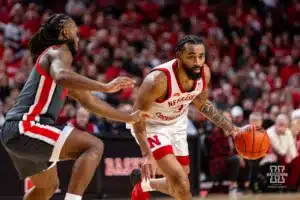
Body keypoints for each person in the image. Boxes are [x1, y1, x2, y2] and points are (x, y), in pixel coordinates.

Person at [0, 13, 146, 200]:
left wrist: (130, 118)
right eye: (75, 33)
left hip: (14, 132)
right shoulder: (59, 51)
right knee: (94, 145)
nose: (78, 38)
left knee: (47, 187)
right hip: (26, 125)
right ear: (64, 33)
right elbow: (61, 75)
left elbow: (92, 103)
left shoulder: (64, 72)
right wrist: (105, 86)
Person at [128, 35, 240, 200]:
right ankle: (145, 183)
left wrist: (231, 128)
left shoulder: (203, 73)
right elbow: (136, 118)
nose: (197, 62)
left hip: (178, 122)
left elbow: (202, 104)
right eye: (191, 57)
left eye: (201, 56)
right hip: (152, 125)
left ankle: (143, 183)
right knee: (182, 185)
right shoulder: (157, 80)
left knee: (182, 183)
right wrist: (148, 154)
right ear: (179, 56)